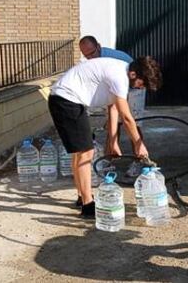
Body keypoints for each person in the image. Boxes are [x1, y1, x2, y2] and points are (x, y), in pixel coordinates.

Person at [48, 56, 162, 218]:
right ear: (134, 75)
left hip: (67, 100)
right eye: (142, 84)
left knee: (80, 153)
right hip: (66, 100)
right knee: (86, 152)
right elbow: (127, 117)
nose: (141, 88)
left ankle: (82, 197)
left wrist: (113, 142)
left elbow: (113, 108)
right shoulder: (119, 77)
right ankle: (87, 204)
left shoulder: (121, 72)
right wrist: (138, 143)